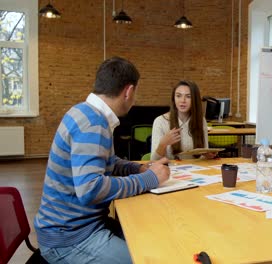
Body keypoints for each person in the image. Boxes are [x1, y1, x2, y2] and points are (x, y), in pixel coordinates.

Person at [34, 57, 170, 264]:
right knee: (150, 259)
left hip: (78, 227)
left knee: (147, 238)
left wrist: (139, 168)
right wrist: (150, 179)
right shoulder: (94, 123)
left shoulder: (83, 111)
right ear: (129, 91)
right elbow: (91, 188)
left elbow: (109, 162)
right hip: (71, 238)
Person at [151, 80, 216, 160]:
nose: (182, 101)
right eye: (178, 96)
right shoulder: (160, 121)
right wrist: (163, 144)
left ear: (194, 100)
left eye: (188, 96)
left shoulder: (201, 121)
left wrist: (207, 156)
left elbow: (203, 155)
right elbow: (153, 160)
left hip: (195, 170)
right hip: (170, 170)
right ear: (173, 98)